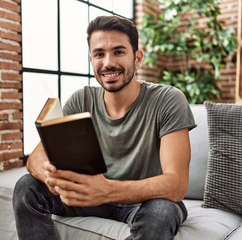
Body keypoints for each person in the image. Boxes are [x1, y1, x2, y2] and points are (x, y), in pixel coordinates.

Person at [13, 15, 196, 240]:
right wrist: (54, 178)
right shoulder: (81, 100)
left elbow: (176, 184)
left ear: (137, 58)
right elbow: (35, 160)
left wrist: (106, 189)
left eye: (119, 51)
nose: (108, 62)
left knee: (162, 212)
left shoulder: (168, 100)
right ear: (91, 59)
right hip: (92, 198)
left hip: (144, 202)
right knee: (26, 187)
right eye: (99, 54)